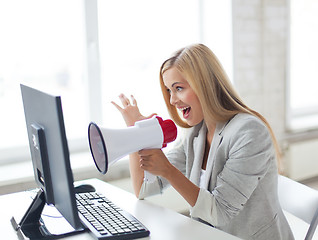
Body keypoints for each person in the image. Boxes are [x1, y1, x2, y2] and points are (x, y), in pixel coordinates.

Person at [111, 43, 294, 240]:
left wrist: (168, 171)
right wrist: (135, 135)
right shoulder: (196, 132)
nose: (172, 100)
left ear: (204, 85)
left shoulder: (249, 132)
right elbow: (144, 189)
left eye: (178, 88)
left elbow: (220, 212)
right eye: (169, 91)